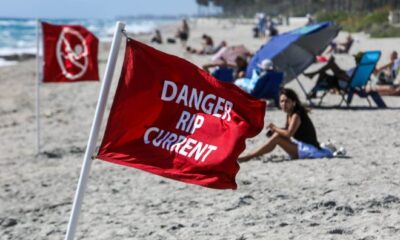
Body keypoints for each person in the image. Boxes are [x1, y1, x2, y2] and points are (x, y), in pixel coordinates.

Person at [238, 88, 333, 162]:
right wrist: (276, 130)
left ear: (293, 102)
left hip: (308, 149)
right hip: (302, 146)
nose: (283, 104)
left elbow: (288, 134)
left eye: (286, 101)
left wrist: (275, 127)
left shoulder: (296, 115)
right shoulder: (291, 113)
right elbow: (288, 130)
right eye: (281, 101)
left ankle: (250, 156)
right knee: (277, 136)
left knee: (277, 138)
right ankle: (255, 154)